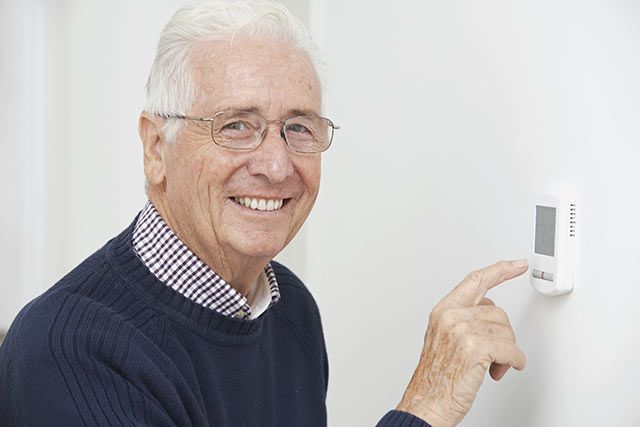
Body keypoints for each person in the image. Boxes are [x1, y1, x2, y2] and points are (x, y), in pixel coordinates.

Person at [0, 1, 528, 426]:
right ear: (156, 148)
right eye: (236, 125)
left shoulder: (293, 310)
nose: (277, 166)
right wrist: (425, 409)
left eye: (298, 127)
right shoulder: (70, 351)